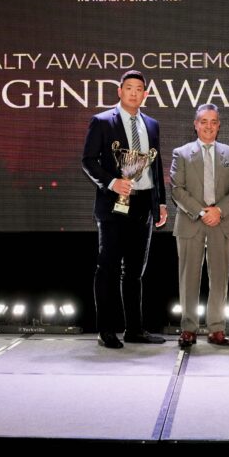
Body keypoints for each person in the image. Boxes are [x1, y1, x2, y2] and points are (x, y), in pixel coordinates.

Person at [82, 70, 168, 349]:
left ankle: (134, 329)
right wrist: (112, 182)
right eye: (128, 87)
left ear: (145, 94)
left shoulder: (152, 124)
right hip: (114, 203)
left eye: (139, 88)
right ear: (120, 91)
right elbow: (88, 160)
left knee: (134, 271)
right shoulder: (102, 121)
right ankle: (106, 330)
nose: (134, 92)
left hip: (143, 204)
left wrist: (160, 202)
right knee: (107, 268)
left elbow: (155, 165)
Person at [169, 104, 229, 349]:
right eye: (204, 121)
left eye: (213, 121)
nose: (208, 126)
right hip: (191, 221)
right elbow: (177, 190)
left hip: (222, 221)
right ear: (196, 124)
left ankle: (217, 329)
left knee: (220, 278)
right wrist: (202, 212)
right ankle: (188, 328)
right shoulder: (181, 153)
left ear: (219, 125)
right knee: (188, 277)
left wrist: (217, 211)